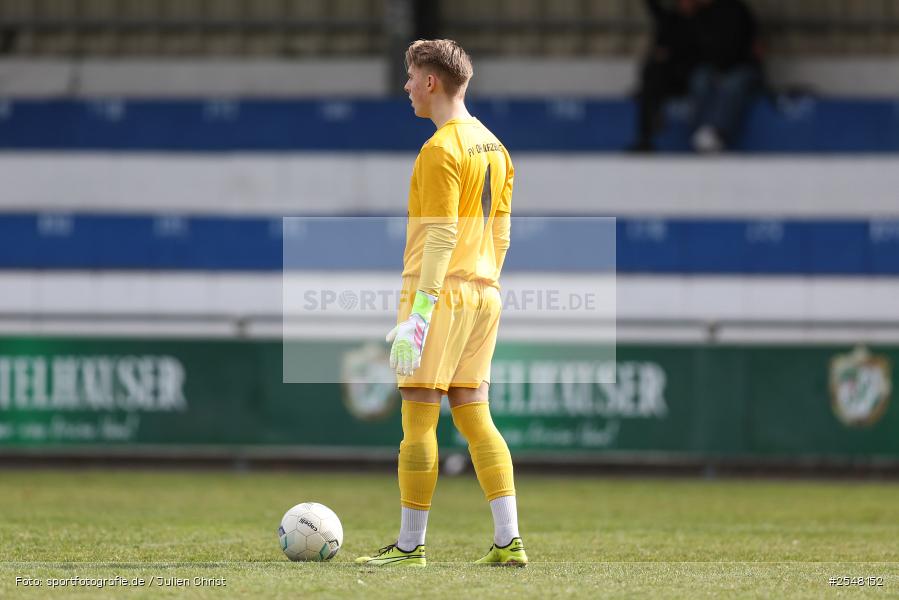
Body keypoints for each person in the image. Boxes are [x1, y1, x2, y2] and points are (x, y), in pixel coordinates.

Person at [354, 39, 525, 568]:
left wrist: (421, 314)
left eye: (411, 77)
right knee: (475, 417)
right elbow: (501, 234)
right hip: (485, 291)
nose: (406, 86)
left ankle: (410, 547)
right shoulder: (495, 146)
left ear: (431, 82)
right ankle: (509, 541)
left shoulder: (440, 149)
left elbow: (441, 234)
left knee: (419, 420)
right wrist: (486, 284)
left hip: (440, 293)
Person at [684, 0, 763, 152]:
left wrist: (723, 69)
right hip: (713, 68)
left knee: (732, 84)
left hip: (740, 66)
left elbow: (740, 46)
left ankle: (717, 133)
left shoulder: (736, 10)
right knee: (699, 79)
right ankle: (700, 130)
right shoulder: (700, 15)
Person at [629, 0, 697, 152]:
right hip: (668, 76)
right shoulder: (671, 19)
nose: (685, 3)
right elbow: (655, 9)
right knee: (652, 79)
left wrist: (672, 55)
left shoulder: (703, 20)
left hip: (692, 74)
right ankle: (645, 137)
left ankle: (705, 135)